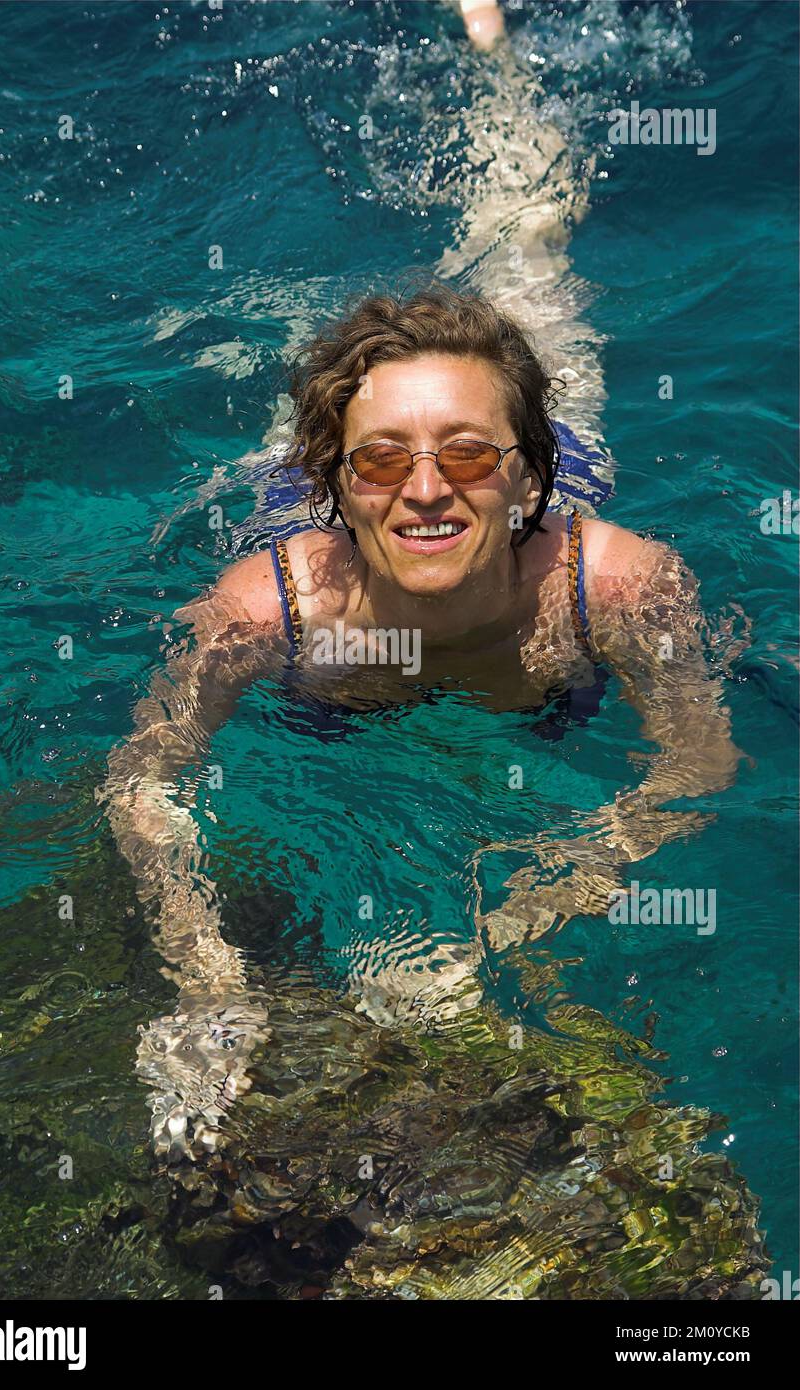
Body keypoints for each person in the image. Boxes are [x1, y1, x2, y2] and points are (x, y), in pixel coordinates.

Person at [104, 283, 741, 1150]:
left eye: (470, 454)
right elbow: (143, 778)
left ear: (523, 472)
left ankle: (525, 228)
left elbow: (697, 767)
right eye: (379, 460)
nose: (427, 489)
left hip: (551, 490)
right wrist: (209, 982)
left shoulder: (616, 588)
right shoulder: (267, 609)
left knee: (542, 326)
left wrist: (550, 893)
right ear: (338, 479)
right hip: (309, 528)